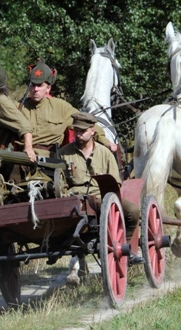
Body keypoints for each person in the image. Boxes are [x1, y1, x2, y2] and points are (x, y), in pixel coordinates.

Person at [58, 112, 141, 275]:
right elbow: (59, 182)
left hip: (103, 198)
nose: (79, 134)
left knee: (133, 212)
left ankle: (125, 247)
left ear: (92, 131)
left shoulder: (105, 153)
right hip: (75, 199)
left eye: (83, 131)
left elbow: (116, 183)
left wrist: (109, 200)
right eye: (76, 131)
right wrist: (66, 196)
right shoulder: (63, 154)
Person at [20, 59, 117, 156]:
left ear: (48, 88)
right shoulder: (19, 107)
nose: (35, 89)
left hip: (50, 158)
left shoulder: (60, 107)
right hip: (21, 156)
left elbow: (86, 123)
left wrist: (106, 142)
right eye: (33, 85)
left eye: (40, 85)